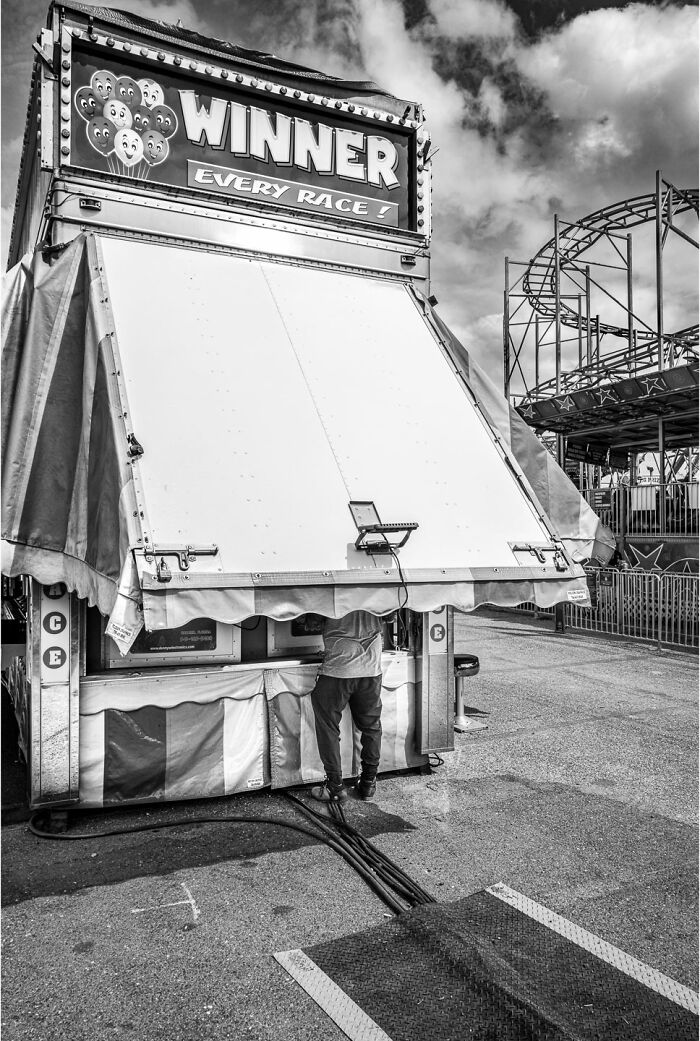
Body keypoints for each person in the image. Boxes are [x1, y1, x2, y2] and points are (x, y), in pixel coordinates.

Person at [309, 610, 383, 803]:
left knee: (328, 728)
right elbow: (390, 616)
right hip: (371, 667)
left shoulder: (330, 582)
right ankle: (368, 783)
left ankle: (335, 786)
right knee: (371, 726)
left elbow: (312, 621)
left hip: (338, 667)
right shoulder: (377, 586)